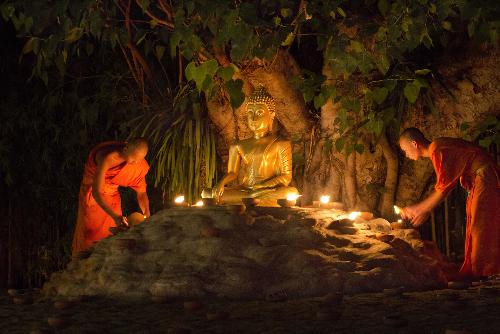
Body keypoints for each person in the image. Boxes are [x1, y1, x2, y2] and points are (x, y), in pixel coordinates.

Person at [398, 127, 500, 278]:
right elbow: (445, 186)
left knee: (481, 225)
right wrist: (423, 209)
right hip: (480, 178)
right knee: (476, 224)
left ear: (414, 144)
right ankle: (481, 270)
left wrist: (419, 209)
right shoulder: (437, 149)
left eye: (405, 150)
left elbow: (443, 189)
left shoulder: (437, 149)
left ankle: (485, 272)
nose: (406, 155)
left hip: (485, 177)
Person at [202, 85, 298, 205]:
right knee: (207, 193)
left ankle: (252, 198)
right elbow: (233, 173)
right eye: (250, 113)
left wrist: (263, 185)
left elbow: (285, 177)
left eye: (259, 113)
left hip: (266, 190)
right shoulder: (238, 146)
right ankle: (251, 199)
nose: (253, 118)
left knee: (290, 192)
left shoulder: (281, 144)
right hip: (245, 190)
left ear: (272, 115)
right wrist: (221, 183)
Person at [71, 138, 150, 257]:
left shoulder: (137, 163)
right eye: (133, 159)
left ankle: (105, 261)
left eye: (139, 160)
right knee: (90, 233)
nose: (136, 163)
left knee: (113, 232)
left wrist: (147, 214)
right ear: (125, 149)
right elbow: (97, 192)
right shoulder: (107, 158)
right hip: (93, 197)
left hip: (112, 196)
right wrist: (115, 216)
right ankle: (84, 262)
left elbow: (142, 193)